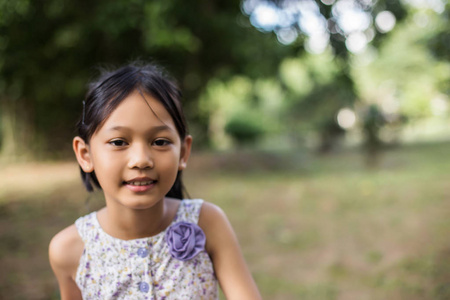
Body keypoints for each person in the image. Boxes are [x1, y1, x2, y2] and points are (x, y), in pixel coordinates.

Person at [49, 62, 261, 300]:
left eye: (159, 141)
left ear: (183, 153)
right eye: (119, 142)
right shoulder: (68, 250)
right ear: (85, 155)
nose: (141, 160)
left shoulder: (208, 222)